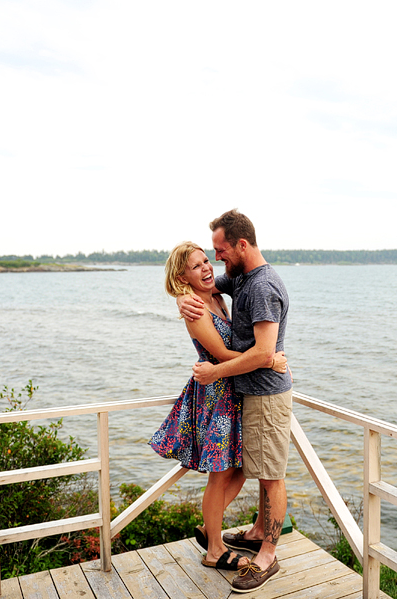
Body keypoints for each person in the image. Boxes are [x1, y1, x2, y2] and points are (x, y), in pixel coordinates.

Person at [149, 241, 288, 573]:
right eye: (195, 267)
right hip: (216, 397)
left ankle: (210, 526)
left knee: (240, 468)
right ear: (182, 277)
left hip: (234, 391)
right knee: (220, 473)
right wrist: (268, 362)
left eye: (206, 261)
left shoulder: (217, 296)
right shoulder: (195, 306)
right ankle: (214, 547)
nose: (206, 268)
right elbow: (222, 356)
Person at [178, 209, 293, 593]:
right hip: (242, 393)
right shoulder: (240, 278)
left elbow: (261, 352)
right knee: (247, 468)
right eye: (208, 256)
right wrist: (184, 296)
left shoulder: (260, 286)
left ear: (241, 245)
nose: (216, 261)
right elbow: (206, 285)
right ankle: (241, 533)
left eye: (219, 251)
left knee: (269, 474)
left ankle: (267, 554)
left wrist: (225, 369)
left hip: (264, 393)